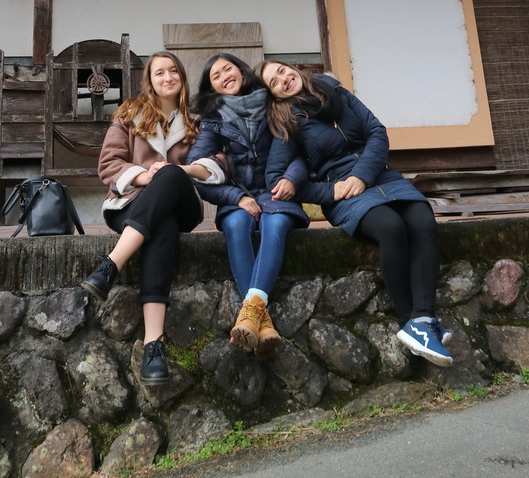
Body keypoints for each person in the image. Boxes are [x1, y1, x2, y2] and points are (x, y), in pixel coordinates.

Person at [259, 62, 453, 368]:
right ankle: (409, 320)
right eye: (273, 81)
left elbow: (376, 132)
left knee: (421, 220)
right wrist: (329, 193)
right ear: (273, 95)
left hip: (380, 175)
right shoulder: (286, 121)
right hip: (342, 193)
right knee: (390, 228)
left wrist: (362, 174)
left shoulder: (335, 91)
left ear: (294, 69)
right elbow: (275, 180)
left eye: (283, 71)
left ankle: (423, 319)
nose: (283, 79)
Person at [82, 52, 224, 382]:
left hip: (183, 202)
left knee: (172, 176)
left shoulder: (197, 120)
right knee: (163, 228)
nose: (167, 77)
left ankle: (110, 266)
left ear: (182, 79)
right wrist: (148, 176)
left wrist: (174, 170)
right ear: (150, 80)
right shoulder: (130, 113)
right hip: (131, 202)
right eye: (159, 72)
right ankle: (153, 346)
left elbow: (218, 164)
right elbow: (109, 165)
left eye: (174, 70)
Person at [187, 53, 308, 358]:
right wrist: (236, 198)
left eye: (228, 68)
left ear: (241, 70)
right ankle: (263, 325)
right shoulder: (213, 121)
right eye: (216, 76)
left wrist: (293, 178)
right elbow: (197, 170)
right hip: (238, 195)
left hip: (276, 192)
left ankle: (252, 313)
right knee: (238, 226)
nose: (225, 75)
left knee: (276, 222)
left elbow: (303, 152)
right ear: (211, 87)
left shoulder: (275, 102)